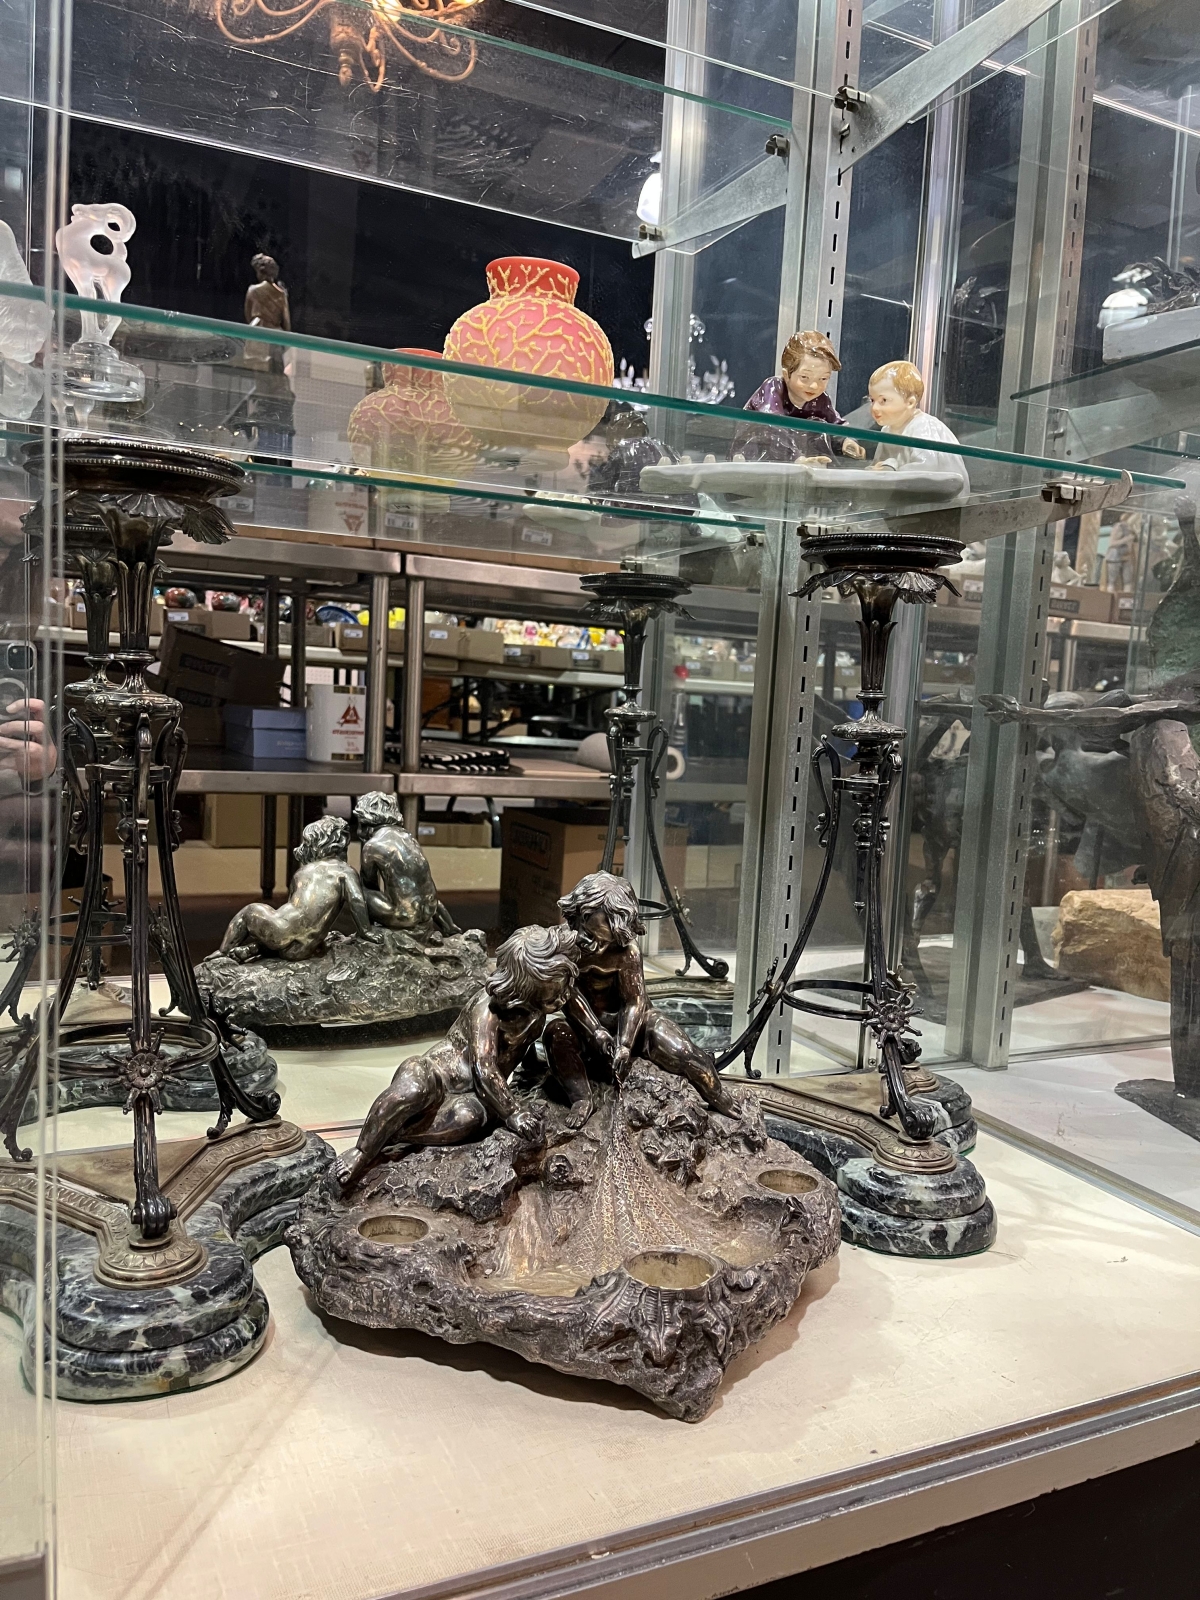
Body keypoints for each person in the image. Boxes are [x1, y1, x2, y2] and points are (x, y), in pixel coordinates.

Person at [333, 923, 578, 1190]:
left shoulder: (534, 1013)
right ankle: (363, 1150)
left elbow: (522, 1050)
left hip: (475, 1096)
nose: (564, 996)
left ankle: (398, 1134)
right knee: (412, 1091)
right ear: (526, 983)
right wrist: (513, 1113)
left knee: (469, 1117)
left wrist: (532, 1074)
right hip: (436, 1074)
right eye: (557, 990)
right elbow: (484, 1068)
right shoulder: (488, 1010)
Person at [548, 871, 736, 1116]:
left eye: (606, 942)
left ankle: (717, 1093)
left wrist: (625, 1044)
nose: (598, 948)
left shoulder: (626, 951)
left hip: (634, 1025)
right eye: (593, 937)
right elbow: (567, 994)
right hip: (583, 1028)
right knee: (556, 1035)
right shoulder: (562, 945)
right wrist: (594, 1031)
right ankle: (581, 1098)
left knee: (682, 1051)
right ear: (582, 916)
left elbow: (633, 1001)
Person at [218, 815, 380, 962]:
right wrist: (365, 931)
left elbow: (294, 903)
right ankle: (256, 949)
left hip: (281, 931)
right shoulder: (345, 872)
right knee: (287, 934)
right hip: (302, 949)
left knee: (250, 912)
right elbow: (357, 901)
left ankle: (223, 952)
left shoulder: (303, 872)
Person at [733, 330, 866, 464]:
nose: (814, 386)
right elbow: (772, 424)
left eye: (823, 378)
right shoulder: (773, 388)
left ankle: (823, 466)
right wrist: (796, 458)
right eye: (804, 377)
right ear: (786, 374)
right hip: (757, 457)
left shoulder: (820, 400)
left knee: (818, 426)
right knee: (768, 430)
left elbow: (836, 423)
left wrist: (847, 440)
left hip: (798, 460)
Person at [353, 790, 456, 935]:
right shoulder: (408, 837)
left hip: (404, 916)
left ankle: (367, 933)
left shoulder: (372, 846)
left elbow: (370, 885)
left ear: (364, 820)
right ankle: (449, 926)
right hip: (430, 909)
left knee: (355, 890)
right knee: (419, 888)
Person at [866, 359, 969, 498]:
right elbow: (879, 465)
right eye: (872, 400)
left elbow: (926, 468)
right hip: (906, 498)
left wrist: (891, 467)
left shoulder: (923, 427)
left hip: (941, 502)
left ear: (910, 402)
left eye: (883, 400)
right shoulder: (887, 430)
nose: (875, 408)